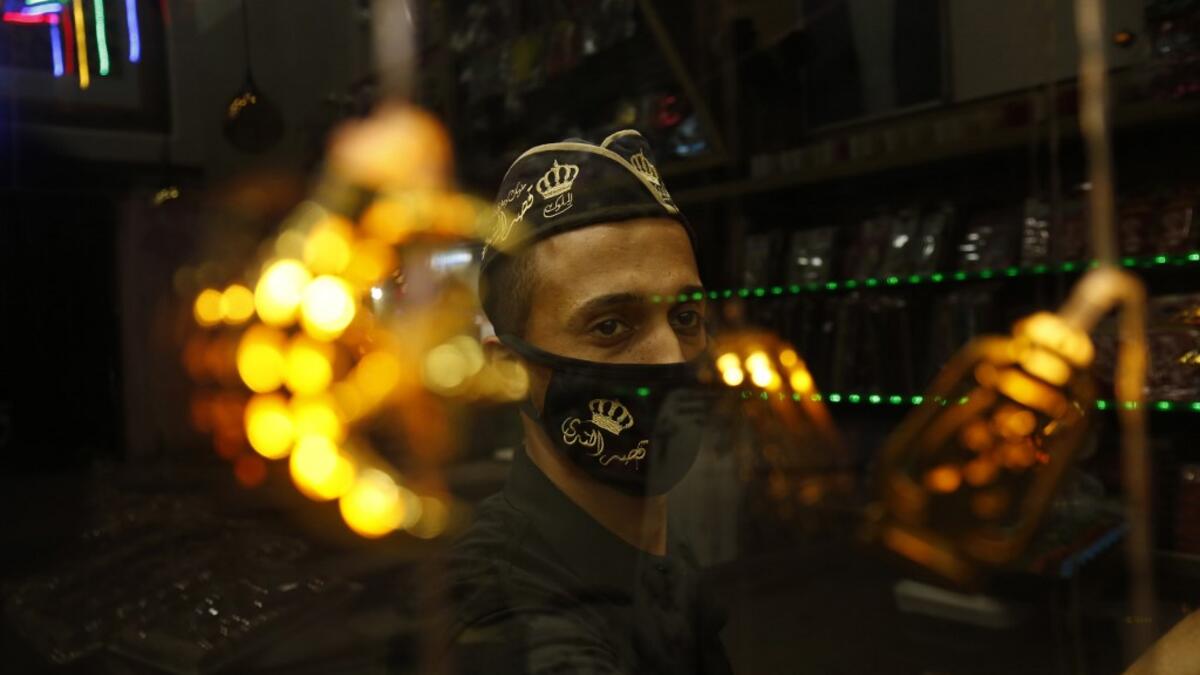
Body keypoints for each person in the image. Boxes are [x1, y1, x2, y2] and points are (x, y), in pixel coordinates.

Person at [436, 130, 732, 674]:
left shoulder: (658, 559)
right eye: (612, 325)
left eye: (686, 318)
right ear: (508, 366)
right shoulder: (503, 614)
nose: (671, 355)